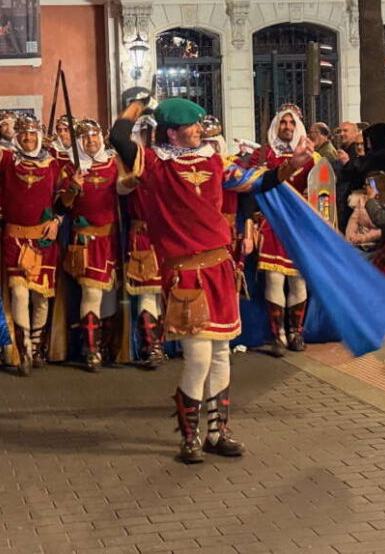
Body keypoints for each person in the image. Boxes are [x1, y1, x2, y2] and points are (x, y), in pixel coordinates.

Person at [110, 96, 312, 463]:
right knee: (199, 358)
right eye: (192, 124)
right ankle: (191, 436)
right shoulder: (156, 164)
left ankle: (218, 432)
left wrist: (291, 167)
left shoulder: (217, 160)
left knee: (221, 353)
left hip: (220, 267)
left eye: (200, 123)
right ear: (172, 131)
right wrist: (138, 104)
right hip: (185, 272)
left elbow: (259, 182)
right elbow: (120, 137)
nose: (200, 128)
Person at [0, 114, 66, 376]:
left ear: (39, 136)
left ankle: (37, 345)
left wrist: (58, 220)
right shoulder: (9, 160)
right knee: (19, 293)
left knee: (41, 297)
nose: (28, 139)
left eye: (32, 134)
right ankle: (24, 346)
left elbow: (62, 197)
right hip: (15, 238)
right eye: (24, 134)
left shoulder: (53, 163)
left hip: (43, 239)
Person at [245, 105, 314, 357]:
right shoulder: (261, 156)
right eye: (283, 123)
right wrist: (251, 225)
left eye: (291, 123)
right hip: (272, 223)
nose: (287, 127)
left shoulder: (311, 158)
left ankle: (296, 332)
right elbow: (251, 192)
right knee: (274, 279)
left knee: (299, 279)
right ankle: (278, 335)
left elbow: (319, 191)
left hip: (300, 226)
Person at [57, 119, 121, 372]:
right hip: (85, 241)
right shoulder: (71, 167)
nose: (91, 141)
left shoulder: (115, 165)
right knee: (91, 295)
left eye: (94, 136)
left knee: (112, 299)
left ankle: (108, 346)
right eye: (85, 138)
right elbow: (61, 206)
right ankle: (91, 349)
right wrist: (74, 187)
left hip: (112, 239)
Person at [119, 114, 166, 368]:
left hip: (168, 236)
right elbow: (121, 188)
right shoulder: (136, 161)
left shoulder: (173, 161)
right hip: (144, 236)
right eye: (148, 133)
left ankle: (163, 344)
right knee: (149, 294)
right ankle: (152, 346)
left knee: (164, 295)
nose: (152, 138)